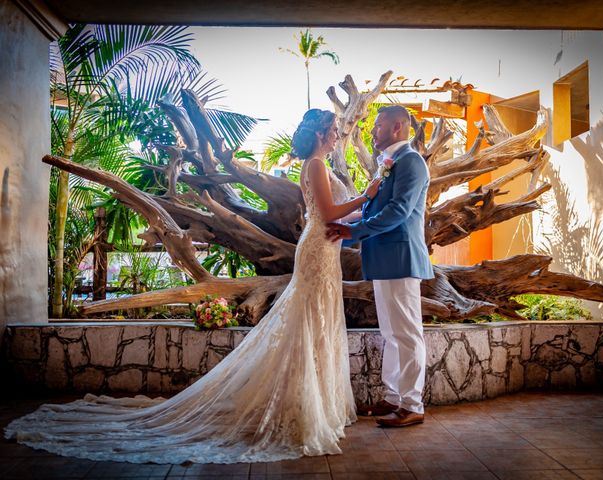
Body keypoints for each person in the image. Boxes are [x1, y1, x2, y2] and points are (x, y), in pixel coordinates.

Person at [4, 109, 381, 464]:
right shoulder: (315, 164)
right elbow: (329, 213)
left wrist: (361, 209)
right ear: (319, 133)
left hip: (325, 249)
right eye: (333, 131)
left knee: (317, 324)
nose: (337, 136)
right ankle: (302, 408)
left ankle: (313, 405)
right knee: (309, 323)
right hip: (317, 248)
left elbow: (336, 212)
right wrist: (369, 193)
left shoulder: (319, 164)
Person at [326, 105, 434, 428]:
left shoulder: (411, 162)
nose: (373, 130)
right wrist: (340, 228)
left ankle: (413, 405)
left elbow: (398, 211)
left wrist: (354, 231)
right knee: (390, 332)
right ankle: (392, 396)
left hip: (401, 258)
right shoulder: (387, 164)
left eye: (379, 124)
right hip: (383, 259)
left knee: (408, 333)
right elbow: (373, 211)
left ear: (398, 127)